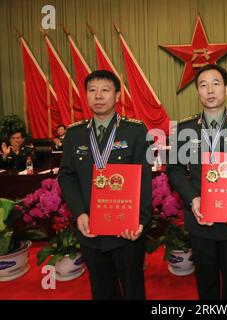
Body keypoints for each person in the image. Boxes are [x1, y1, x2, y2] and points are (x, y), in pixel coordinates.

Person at [166, 64, 227, 300]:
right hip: (201, 216)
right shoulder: (185, 128)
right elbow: (175, 169)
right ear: (197, 92)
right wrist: (193, 198)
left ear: (226, 89)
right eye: (203, 85)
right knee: (205, 281)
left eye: (216, 83)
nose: (210, 90)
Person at [58, 70, 152, 300]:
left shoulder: (136, 131)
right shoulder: (74, 134)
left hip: (126, 228)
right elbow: (67, 175)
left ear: (118, 95)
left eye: (105, 90)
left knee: (132, 286)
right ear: (86, 95)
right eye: (92, 90)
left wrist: (140, 220)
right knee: (101, 288)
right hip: (90, 226)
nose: (98, 96)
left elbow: (145, 178)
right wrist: (80, 212)